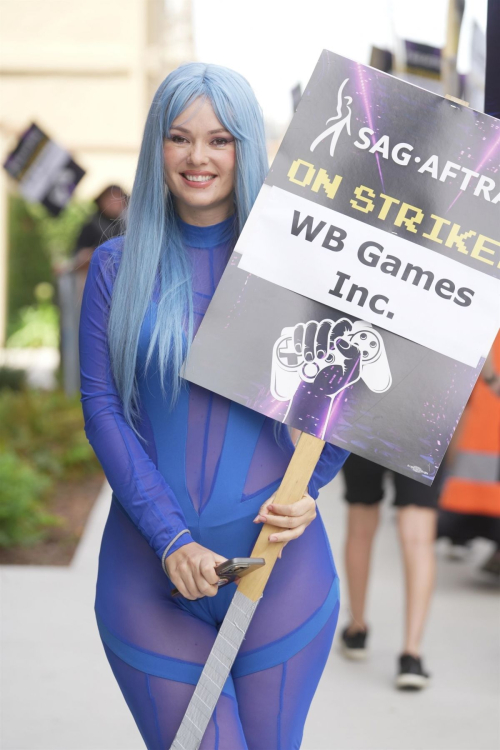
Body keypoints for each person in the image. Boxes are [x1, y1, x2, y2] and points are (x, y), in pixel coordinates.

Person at [79, 63, 349, 749]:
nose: (198, 157)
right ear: (157, 148)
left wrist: (310, 486)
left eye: (220, 140)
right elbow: (102, 406)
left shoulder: (297, 266)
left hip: (281, 572)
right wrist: (170, 538)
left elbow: (352, 397)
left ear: (245, 148)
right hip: (149, 577)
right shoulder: (116, 267)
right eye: (179, 137)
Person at [339, 456, 445, 690]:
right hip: (426, 422)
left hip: (365, 421)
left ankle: (357, 631)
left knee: (360, 522)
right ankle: (411, 655)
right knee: (418, 538)